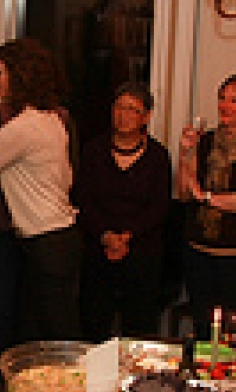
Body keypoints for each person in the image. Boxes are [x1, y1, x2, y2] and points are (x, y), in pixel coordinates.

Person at [0, 38, 80, 344]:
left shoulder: (20, 128)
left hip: (46, 241)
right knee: (50, 331)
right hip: (61, 236)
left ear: (20, 75)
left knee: (57, 336)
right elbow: (65, 179)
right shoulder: (52, 120)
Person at [177, 71, 236, 339]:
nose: (225, 106)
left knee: (232, 333)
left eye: (234, 100)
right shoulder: (206, 140)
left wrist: (209, 199)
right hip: (198, 250)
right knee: (202, 328)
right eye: (222, 98)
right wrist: (185, 151)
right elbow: (184, 192)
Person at [77, 82, 172, 343]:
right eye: (119, 107)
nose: (123, 115)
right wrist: (106, 236)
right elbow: (83, 200)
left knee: (139, 328)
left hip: (142, 251)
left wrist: (127, 237)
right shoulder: (93, 151)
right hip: (98, 248)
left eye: (132, 109)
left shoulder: (158, 156)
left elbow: (159, 206)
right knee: (94, 325)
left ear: (146, 116)